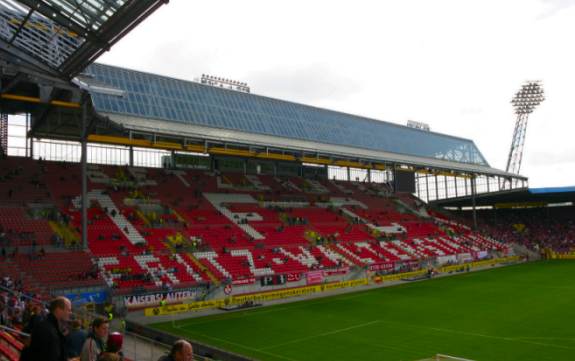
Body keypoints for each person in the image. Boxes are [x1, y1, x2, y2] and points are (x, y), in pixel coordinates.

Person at [20, 296, 72, 361]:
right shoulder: (46, 329)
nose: (70, 313)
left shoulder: (53, 327)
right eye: (69, 310)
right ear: (58, 310)